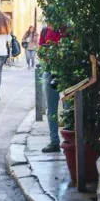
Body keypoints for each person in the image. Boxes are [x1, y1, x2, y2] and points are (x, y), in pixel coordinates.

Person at [38, 21, 62, 153]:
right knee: (51, 109)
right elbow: (40, 51)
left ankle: (72, 140)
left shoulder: (67, 30)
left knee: (70, 108)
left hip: (66, 72)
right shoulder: (45, 31)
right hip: (50, 71)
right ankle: (54, 141)